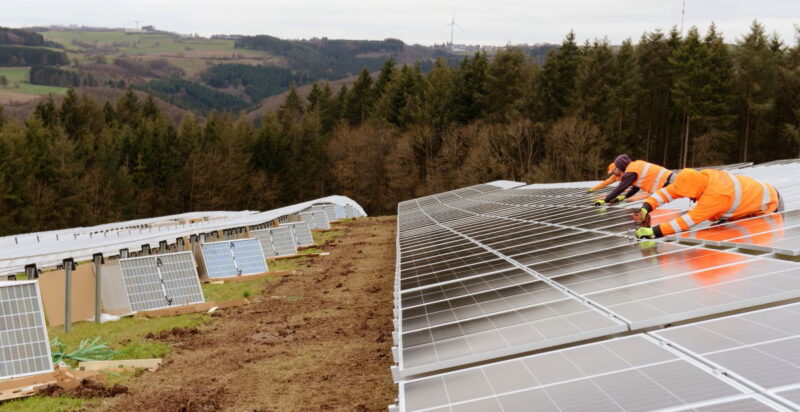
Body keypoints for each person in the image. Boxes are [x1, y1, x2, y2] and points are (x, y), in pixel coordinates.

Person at [635, 168, 783, 239]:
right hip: (756, 194)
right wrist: (647, 205)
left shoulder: (715, 196)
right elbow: (671, 191)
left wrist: (653, 231)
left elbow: (686, 222)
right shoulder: (702, 177)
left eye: (690, 197)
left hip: (770, 203)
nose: (690, 200)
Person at [593, 155, 674, 206]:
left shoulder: (629, 173)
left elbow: (619, 189)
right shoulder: (636, 165)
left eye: (616, 168)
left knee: (648, 206)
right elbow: (636, 187)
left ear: (620, 167)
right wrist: (625, 196)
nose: (614, 172)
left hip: (667, 183)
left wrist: (605, 200)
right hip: (670, 179)